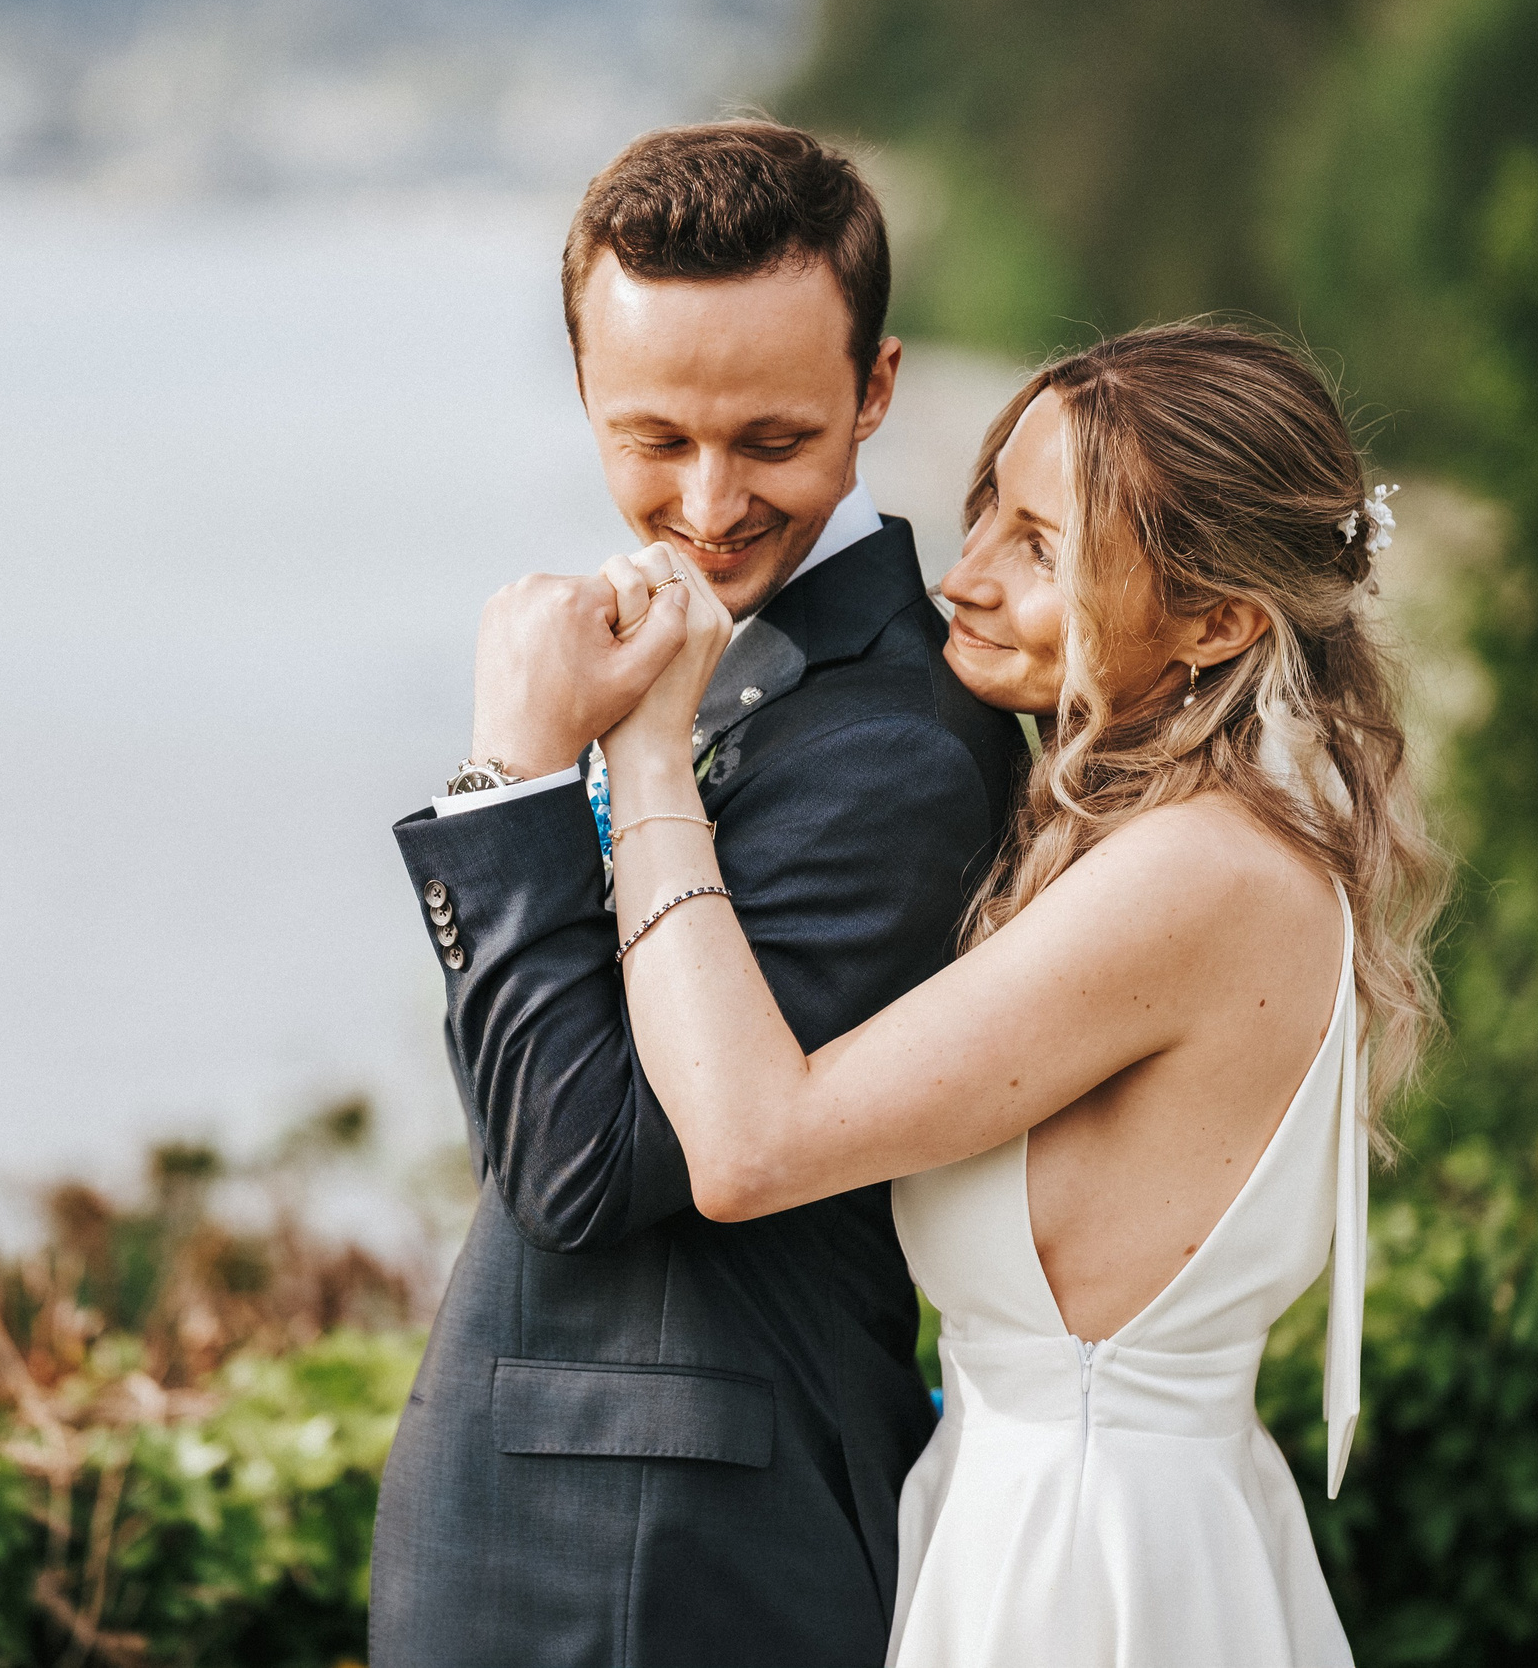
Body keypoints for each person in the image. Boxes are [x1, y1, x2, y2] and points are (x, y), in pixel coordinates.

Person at [498, 323, 1449, 1665]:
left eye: (1042, 549)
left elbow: (753, 1141)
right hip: (1039, 1516)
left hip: (1085, 1567)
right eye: (987, 509)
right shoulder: (1178, 847)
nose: (964, 576)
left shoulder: (1199, 875)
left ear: (1219, 622)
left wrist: (647, 756)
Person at [374, 123, 1028, 1667]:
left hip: (669, 1565)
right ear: (585, 388)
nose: (711, 501)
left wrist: (514, 774)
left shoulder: (897, 748)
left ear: (877, 389)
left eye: (773, 440)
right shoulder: (693, 663)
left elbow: (584, 1163)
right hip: (572, 1536)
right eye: (654, 438)